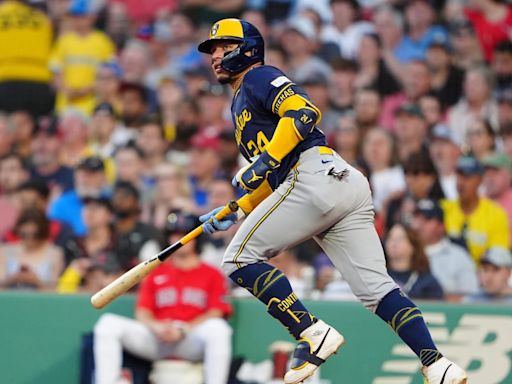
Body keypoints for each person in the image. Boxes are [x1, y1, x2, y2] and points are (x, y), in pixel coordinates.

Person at [197, 18, 467, 384]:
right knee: (378, 290)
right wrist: (237, 207)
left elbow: (305, 113)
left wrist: (263, 161)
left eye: (223, 46)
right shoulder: (238, 103)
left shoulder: (259, 78)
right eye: (212, 49)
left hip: (314, 176)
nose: (215, 55)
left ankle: (311, 332)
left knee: (238, 259)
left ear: (247, 49)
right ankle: (437, 364)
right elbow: (274, 177)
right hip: (338, 183)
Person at [93, 210, 232, 384]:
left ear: (196, 238)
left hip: (189, 337)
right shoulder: (155, 271)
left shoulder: (212, 274)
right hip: (158, 338)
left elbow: (216, 312)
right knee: (108, 325)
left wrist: (183, 329)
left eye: (184, 234)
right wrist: (156, 327)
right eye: (174, 234)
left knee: (219, 329)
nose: (179, 239)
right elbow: (142, 312)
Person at [442, 155, 509, 264]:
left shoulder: (495, 214)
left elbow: (498, 256)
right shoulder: (444, 208)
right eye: (458, 176)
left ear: (479, 180)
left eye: (467, 177)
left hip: (480, 275)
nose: (460, 182)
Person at [411, 199, 479, 300]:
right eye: (416, 218)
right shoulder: (405, 251)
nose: (418, 225)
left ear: (441, 226)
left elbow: (471, 296)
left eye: (426, 219)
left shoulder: (458, 256)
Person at [0, 208, 64, 290]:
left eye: (35, 235)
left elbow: (55, 291)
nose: (29, 239)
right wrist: (13, 279)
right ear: (18, 230)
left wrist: (36, 281)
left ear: (43, 232)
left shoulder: (55, 253)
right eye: (24, 234)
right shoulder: (5, 251)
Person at [385, 223, 444, 300]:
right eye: (390, 238)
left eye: (400, 239)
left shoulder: (427, 282)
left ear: (413, 246)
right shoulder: (378, 277)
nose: (393, 243)